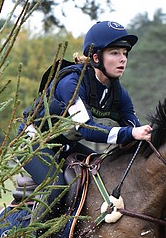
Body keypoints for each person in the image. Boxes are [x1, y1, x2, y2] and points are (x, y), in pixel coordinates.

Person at [18, 20, 153, 223]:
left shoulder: (117, 92)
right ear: (97, 57)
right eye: (115, 53)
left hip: (64, 145)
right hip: (32, 141)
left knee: (105, 172)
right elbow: (88, 129)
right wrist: (130, 134)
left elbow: (134, 129)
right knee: (56, 190)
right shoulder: (71, 83)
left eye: (125, 53)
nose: (122, 59)